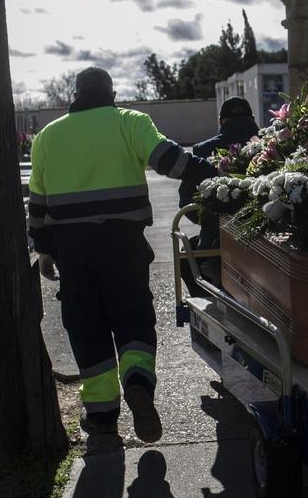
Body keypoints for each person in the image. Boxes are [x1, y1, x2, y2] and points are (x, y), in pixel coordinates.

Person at [28, 66, 215, 450]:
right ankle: (137, 383)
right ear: (111, 91)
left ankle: (101, 418)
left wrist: (44, 250)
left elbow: (39, 203)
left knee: (86, 325)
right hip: (124, 245)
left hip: (72, 250)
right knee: (133, 317)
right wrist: (213, 173)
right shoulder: (130, 121)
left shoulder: (48, 136)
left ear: (76, 94)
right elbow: (171, 161)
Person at [177, 98, 259, 292]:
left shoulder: (203, 150)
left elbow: (185, 198)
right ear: (252, 118)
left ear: (221, 121)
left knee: (186, 260)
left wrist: (207, 219)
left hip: (215, 239)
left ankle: (204, 298)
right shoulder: (271, 145)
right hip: (264, 241)